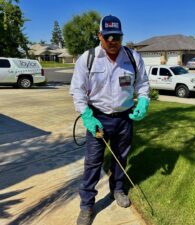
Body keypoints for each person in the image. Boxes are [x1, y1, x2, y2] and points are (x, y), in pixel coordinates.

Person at [70, 15, 150, 225]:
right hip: (97, 118)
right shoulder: (87, 59)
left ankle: (118, 189)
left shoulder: (132, 57)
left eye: (117, 36)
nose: (113, 41)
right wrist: (87, 115)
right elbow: (77, 91)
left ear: (122, 36)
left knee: (120, 159)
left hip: (124, 118)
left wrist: (142, 103)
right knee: (93, 163)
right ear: (100, 36)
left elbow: (143, 85)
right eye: (108, 36)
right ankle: (87, 205)